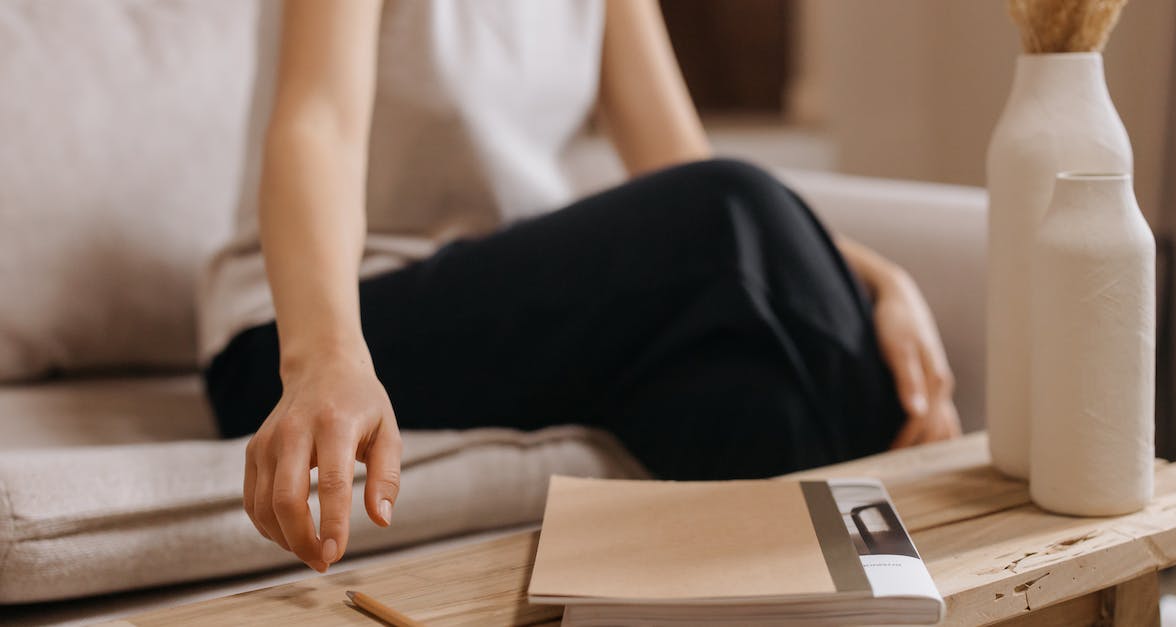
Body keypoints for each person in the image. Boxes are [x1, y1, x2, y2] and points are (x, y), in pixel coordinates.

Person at [199, 0, 961, 575]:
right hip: (316, 325)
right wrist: (324, 359)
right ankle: (916, 553)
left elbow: (680, 168)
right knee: (728, 209)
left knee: (755, 403)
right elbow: (317, 124)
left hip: (518, 315)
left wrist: (883, 278)